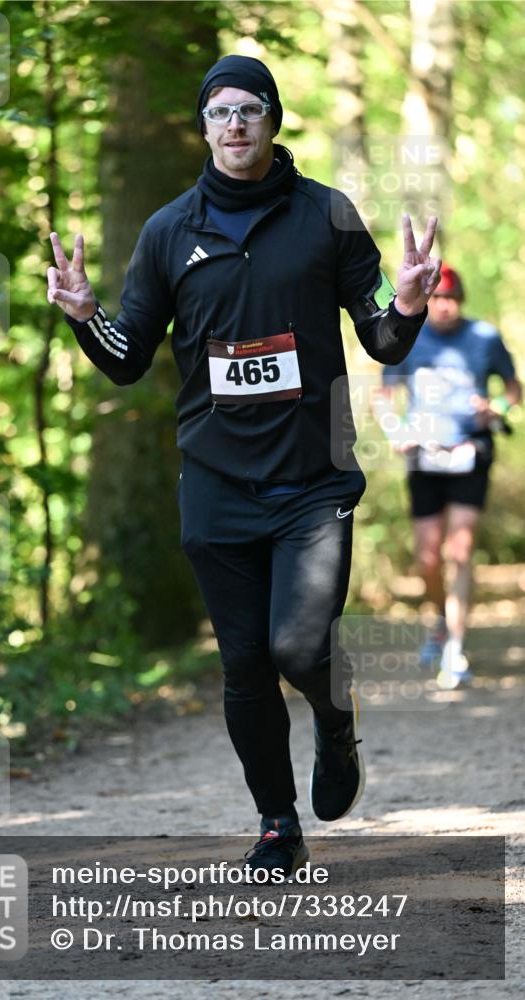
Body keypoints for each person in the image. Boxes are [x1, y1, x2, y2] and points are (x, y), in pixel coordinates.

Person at [47, 55, 441, 878]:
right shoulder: (166, 232)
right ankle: (276, 824)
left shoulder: (326, 216)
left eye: (250, 110)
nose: (235, 124)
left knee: (299, 648)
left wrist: (405, 302)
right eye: (219, 112)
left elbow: (378, 337)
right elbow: (126, 358)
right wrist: (86, 319)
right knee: (243, 664)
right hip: (217, 482)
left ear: (273, 122)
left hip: (314, 479)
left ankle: (336, 729)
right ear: (203, 127)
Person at [374, 264, 521, 689]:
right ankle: (441, 619)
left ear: (461, 300)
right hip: (425, 457)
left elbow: (513, 388)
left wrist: (497, 408)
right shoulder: (409, 336)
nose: (444, 306)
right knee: (428, 558)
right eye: (437, 298)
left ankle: (455, 648)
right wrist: (395, 431)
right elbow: (385, 397)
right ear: (427, 299)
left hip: (470, 452)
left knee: (460, 549)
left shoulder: (484, 338)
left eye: (452, 298)